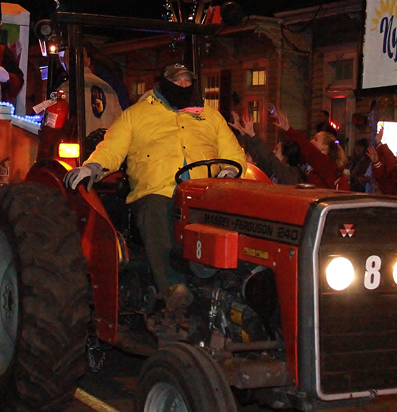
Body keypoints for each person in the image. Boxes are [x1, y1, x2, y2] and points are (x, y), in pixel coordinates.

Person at [63, 63, 246, 317]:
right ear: (164, 83)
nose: (183, 86)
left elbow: (232, 153)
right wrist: (93, 167)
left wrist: (230, 171)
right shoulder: (136, 115)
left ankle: (237, 285)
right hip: (158, 190)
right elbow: (112, 148)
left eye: (187, 82)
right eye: (178, 81)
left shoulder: (210, 116)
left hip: (204, 193)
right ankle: (172, 287)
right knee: (156, 211)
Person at [272, 109, 347, 189]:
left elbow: (309, 149)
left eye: (316, 139)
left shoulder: (327, 165)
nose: (311, 141)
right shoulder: (308, 164)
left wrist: (288, 129)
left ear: (325, 146)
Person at [57, 47, 123, 136]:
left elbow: (55, 123)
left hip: (80, 146)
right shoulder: (108, 89)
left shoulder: (66, 88)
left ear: (66, 63)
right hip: (106, 147)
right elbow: (120, 123)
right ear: (88, 61)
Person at [228, 112, 303, 185]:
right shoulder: (275, 170)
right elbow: (258, 157)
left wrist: (253, 135)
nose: (273, 151)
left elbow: (269, 158)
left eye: (277, 150)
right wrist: (242, 132)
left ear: (285, 156)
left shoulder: (290, 176)